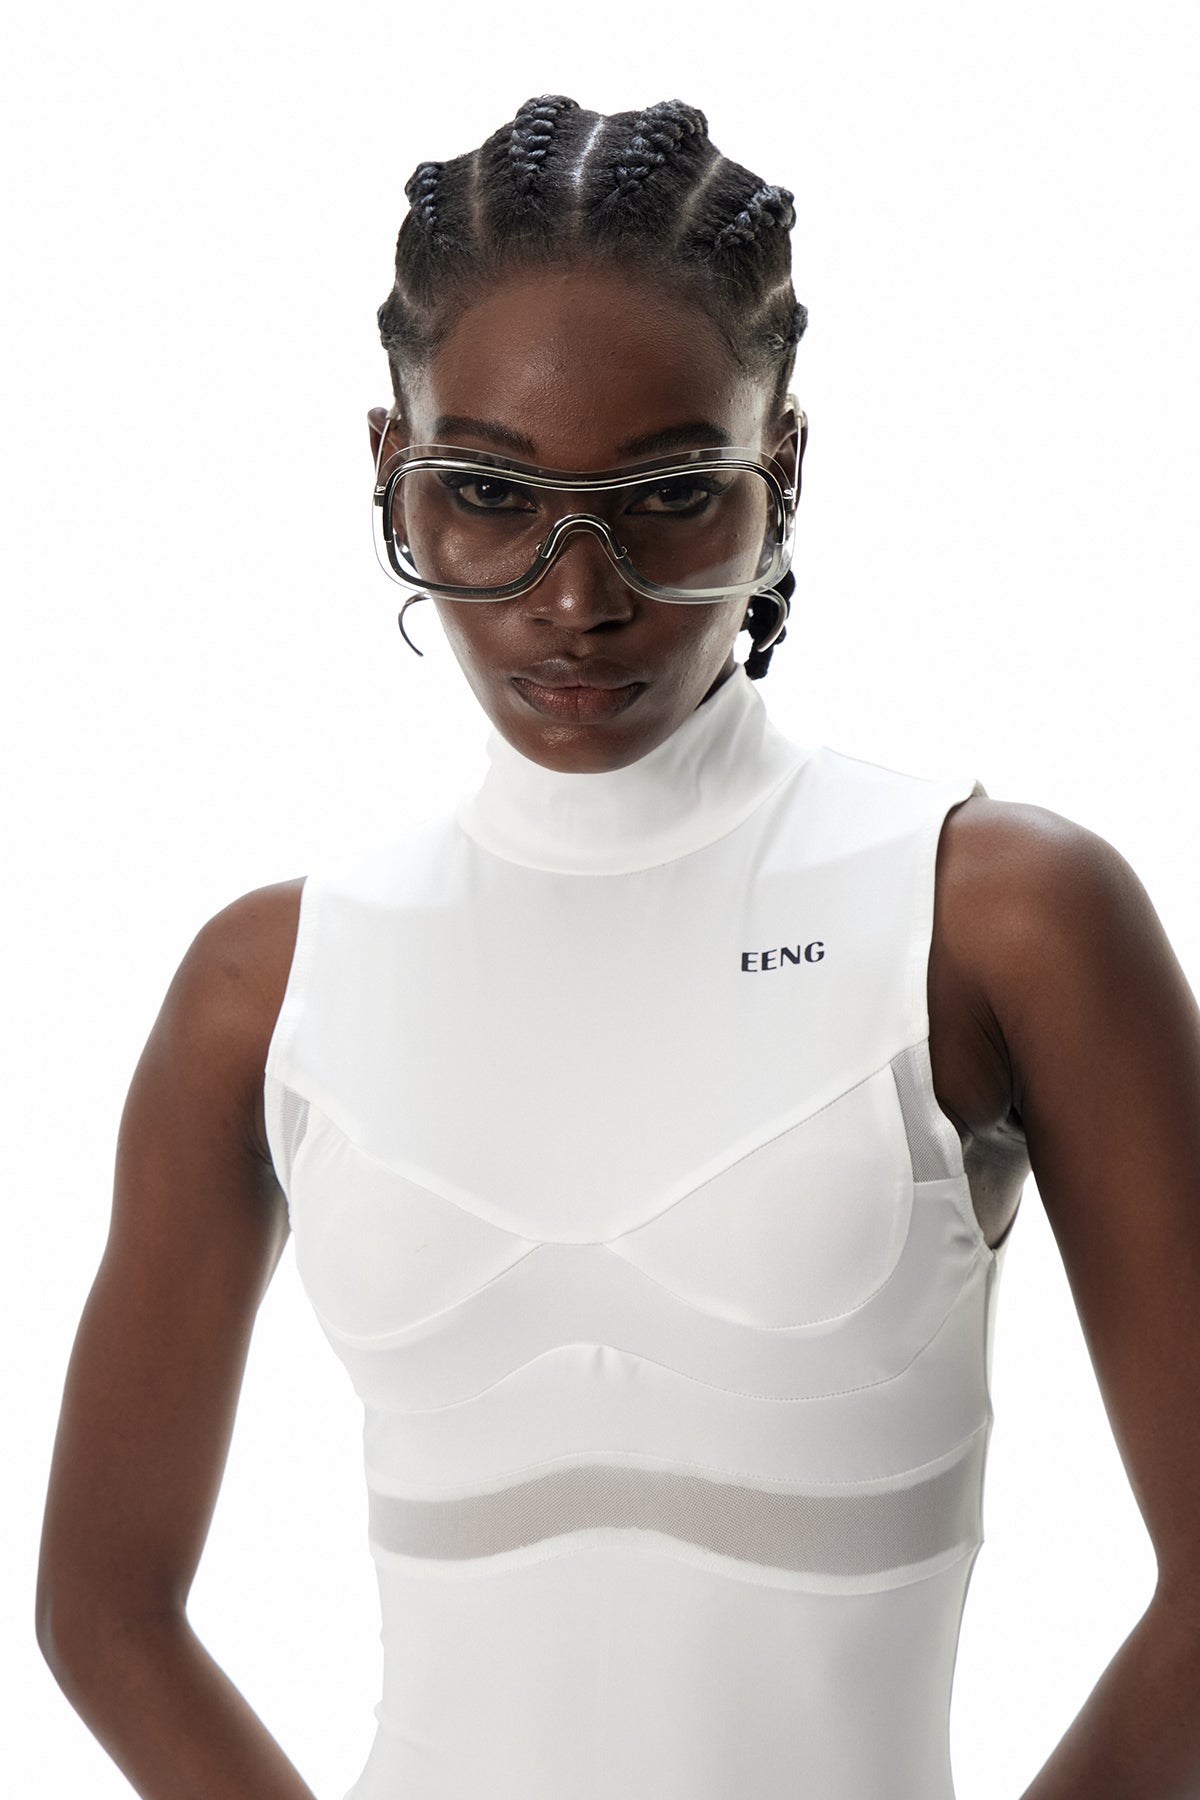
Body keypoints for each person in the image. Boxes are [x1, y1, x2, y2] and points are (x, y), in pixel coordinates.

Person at [34, 94, 1200, 1800]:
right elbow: (102, 1609)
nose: (576, 597)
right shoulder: (266, 985)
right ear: (390, 470)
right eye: (488, 492)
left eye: (667, 494)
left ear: (782, 470)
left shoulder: (991, 917)